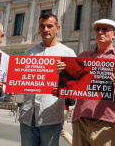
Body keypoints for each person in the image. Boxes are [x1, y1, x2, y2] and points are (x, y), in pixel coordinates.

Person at [57, 18, 115, 146]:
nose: (100, 32)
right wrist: (61, 75)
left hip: (107, 122)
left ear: (114, 34)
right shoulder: (83, 56)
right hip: (80, 119)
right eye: (97, 29)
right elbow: (72, 89)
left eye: (105, 29)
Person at [19, 13, 76, 146]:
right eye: (42, 26)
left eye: (50, 26)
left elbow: (74, 88)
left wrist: (62, 83)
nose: (46, 30)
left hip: (51, 118)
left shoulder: (68, 53)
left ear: (58, 28)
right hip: (27, 116)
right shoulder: (29, 52)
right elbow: (21, 79)